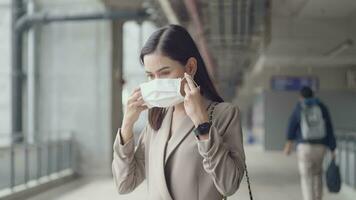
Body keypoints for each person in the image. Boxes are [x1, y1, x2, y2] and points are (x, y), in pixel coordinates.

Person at [112, 24, 246, 200]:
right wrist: (127, 125)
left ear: (190, 67)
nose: (156, 82)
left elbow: (229, 185)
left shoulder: (224, 114)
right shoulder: (157, 121)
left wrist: (202, 125)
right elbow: (124, 184)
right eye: (150, 76)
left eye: (164, 72)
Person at [284, 86, 336, 200]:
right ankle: (318, 197)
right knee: (318, 174)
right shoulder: (322, 107)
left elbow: (291, 126)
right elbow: (329, 128)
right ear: (313, 95)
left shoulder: (299, 107)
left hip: (304, 147)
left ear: (301, 96)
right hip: (320, 146)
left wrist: (288, 145)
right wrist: (333, 148)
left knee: (307, 177)